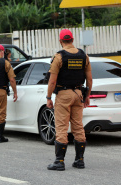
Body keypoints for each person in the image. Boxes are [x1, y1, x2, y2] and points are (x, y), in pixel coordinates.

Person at [46, 29, 92, 171]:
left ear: (61, 41)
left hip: (64, 94)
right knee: (78, 126)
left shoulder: (59, 57)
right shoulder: (84, 56)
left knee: (61, 127)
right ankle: (80, 161)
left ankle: (59, 161)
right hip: (79, 93)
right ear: (72, 39)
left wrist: (48, 97)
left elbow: (52, 81)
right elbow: (89, 79)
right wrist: (87, 95)